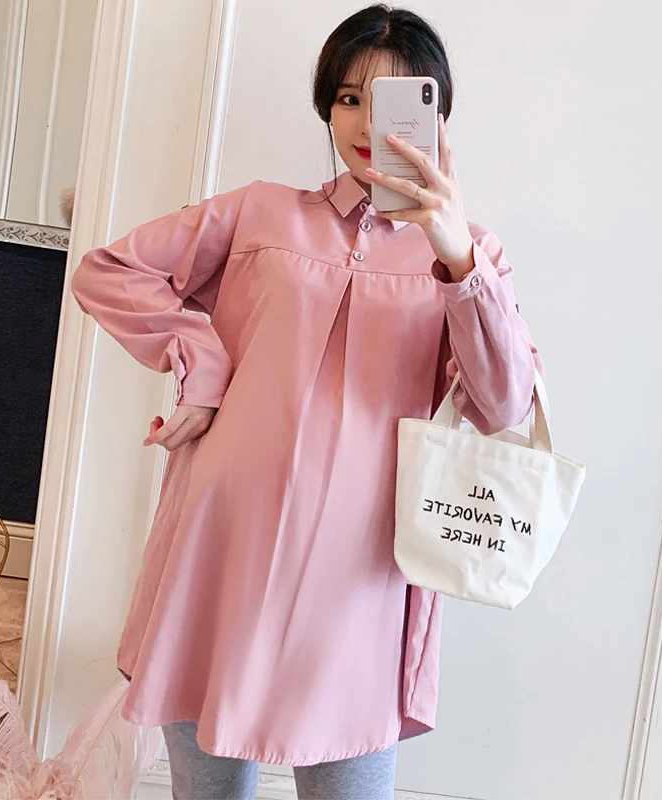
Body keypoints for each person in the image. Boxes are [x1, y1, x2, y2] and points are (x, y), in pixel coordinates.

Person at [70, 4, 543, 798]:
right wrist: (202, 362)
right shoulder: (261, 213)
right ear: (327, 104)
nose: (366, 122)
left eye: (394, 101)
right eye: (350, 97)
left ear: (435, 116)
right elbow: (109, 272)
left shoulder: (471, 255)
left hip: (361, 581)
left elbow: (503, 404)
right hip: (224, 548)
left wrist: (455, 251)